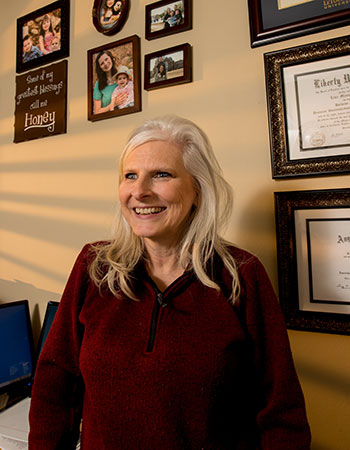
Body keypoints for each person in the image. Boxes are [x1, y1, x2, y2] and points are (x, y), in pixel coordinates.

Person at [28, 115, 311, 449]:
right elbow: (54, 387)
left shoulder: (241, 275)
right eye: (130, 176)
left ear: (197, 190)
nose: (139, 191)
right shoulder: (95, 267)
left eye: (161, 175)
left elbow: (282, 415)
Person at [93, 50, 127, 114]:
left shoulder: (123, 71)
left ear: (111, 58)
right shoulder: (98, 84)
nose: (105, 64)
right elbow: (97, 112)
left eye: (106, 59)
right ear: (99, 68)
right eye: (102, 63)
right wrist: (114, 104)